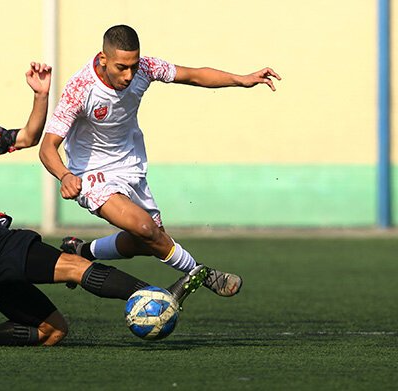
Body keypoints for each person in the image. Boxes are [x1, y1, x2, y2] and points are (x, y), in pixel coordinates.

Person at [0, 64, 204, 348]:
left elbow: (27, 137)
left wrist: (40, 95)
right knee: (74, 265)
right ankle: (152, 295)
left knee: (53, 331)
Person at [40, 25, 281, 297]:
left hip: (130, 165)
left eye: (134, 65)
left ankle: (81, 250)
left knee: (148, 241)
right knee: (145, 228)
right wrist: (65, 175)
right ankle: (203, 274)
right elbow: (47, 147)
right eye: (122, 67)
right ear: (103, 58)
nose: (129, 75)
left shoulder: (146, 67)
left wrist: (242, 79)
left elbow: (192, 75)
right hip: (91, 172)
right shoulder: (80, 89)